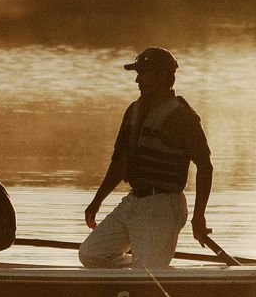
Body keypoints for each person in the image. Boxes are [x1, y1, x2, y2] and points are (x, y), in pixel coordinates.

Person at [79, 47, 212, 270]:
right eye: (137, 73)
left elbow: (205, 167)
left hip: (164, 206)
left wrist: (199, 216)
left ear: (162, 77)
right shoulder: (134, 111)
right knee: (91, 255)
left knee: (148, 272)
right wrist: (97, 200)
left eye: (143, 73)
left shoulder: (183, 117)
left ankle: (152, 267)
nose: (138, 80)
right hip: (134, 201)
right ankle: (146, 265)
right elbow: (119, 162)